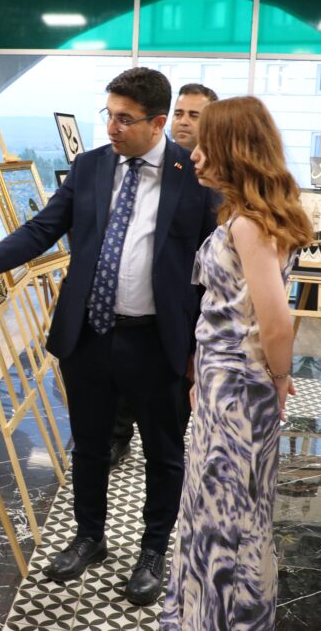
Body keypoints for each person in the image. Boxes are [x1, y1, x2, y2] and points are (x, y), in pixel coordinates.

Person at [0, 67, 217, 605]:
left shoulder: (194, 176)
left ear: (158, 123)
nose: (112, 127)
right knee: (89, 445)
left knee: (164, 453)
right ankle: (89, 537)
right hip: (88, 334)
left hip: (157, 340)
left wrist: (198, 348)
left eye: (125, 119)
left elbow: (211, 268)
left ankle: (153, 551)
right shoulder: (90, 167)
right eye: (108, 115)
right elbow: (40, 230)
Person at [160, 96, 313, 629]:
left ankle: (215, 618)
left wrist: (278, 378)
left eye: (207, 146)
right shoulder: (247, 217)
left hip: (237, 392)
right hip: (226, 383)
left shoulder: (248, 224)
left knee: (222, 519)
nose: (195, 155)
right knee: (229, 510)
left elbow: (275, 322)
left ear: (235, 150)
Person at [110, 82, 218, 467]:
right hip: (128, 311)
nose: (183, 122)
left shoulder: (209, 179)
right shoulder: (146, 163)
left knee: (166, 430)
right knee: (120, 391)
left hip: (179, 316)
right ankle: (118, 437)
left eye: (194, 115)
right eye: (179, 113)